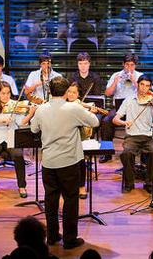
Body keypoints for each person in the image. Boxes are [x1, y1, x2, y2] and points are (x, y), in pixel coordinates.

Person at [30, 77, 99, 250]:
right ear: (66, 91)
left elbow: (33, 129)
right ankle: (69, 240)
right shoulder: (73, 108)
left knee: (51, 200)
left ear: (50, 91)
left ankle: (52, 237)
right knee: (70, 200)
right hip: (69, 162)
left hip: (49, 162)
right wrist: (82, 108)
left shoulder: (41, 109)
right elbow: (95, 122)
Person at [114, 76, 153, 193]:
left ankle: (148, 182)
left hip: (148, 136)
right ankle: (129, 182)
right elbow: (115, 119)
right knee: (126, 153)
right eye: (142, 85)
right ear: (138, 85)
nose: (144, 88)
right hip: (132, 137)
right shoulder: (129, 100)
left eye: (147, 86)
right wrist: (124, 122)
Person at [0, 81, 35, 198]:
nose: (6, 96)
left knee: (18, 155)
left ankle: (21, 185)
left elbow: (21, 123)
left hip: (11, 135)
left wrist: (30, 115)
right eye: (3, 93)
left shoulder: (15, 104)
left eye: (8, 93)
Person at [99, 53, 143, 163]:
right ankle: (106, 153)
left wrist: (134, 81)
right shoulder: (116, 75)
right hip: (118, 108)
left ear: (135, 65)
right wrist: (115, 82)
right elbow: (107, 93)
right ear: (123, 64)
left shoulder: (140, 76)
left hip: (135, 108)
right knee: (106, 121)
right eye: (127, 65)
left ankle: (143, 154)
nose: (129, 67)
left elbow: (144, 92)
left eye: (132, 65)